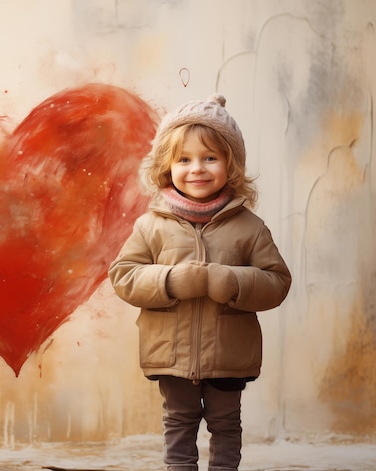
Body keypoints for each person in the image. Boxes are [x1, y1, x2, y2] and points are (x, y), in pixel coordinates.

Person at [108, 94, 292, 471]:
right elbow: (123, 276)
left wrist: (233, 281)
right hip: (170, 354)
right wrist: (170, 280)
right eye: (184, 159)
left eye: (210, 158)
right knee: (178, 422)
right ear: (166, 166)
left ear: (231, 164)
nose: (197, 169)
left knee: (226, 424)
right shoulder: (151, 225)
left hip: (228, 354)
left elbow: (277, 282)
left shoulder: (249, 227)